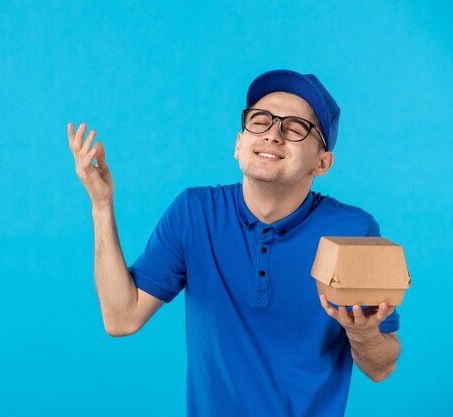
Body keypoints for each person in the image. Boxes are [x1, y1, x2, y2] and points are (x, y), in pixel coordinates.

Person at [67, 69, 401, 417]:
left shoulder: (353, 230)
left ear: (322, 162)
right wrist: (101, 206)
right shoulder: (194, 213)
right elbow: (121, 317)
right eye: (261, 120)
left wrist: (361, 334)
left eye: (295, 128)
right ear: (239, 143)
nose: (273, 134)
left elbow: (381, 367)